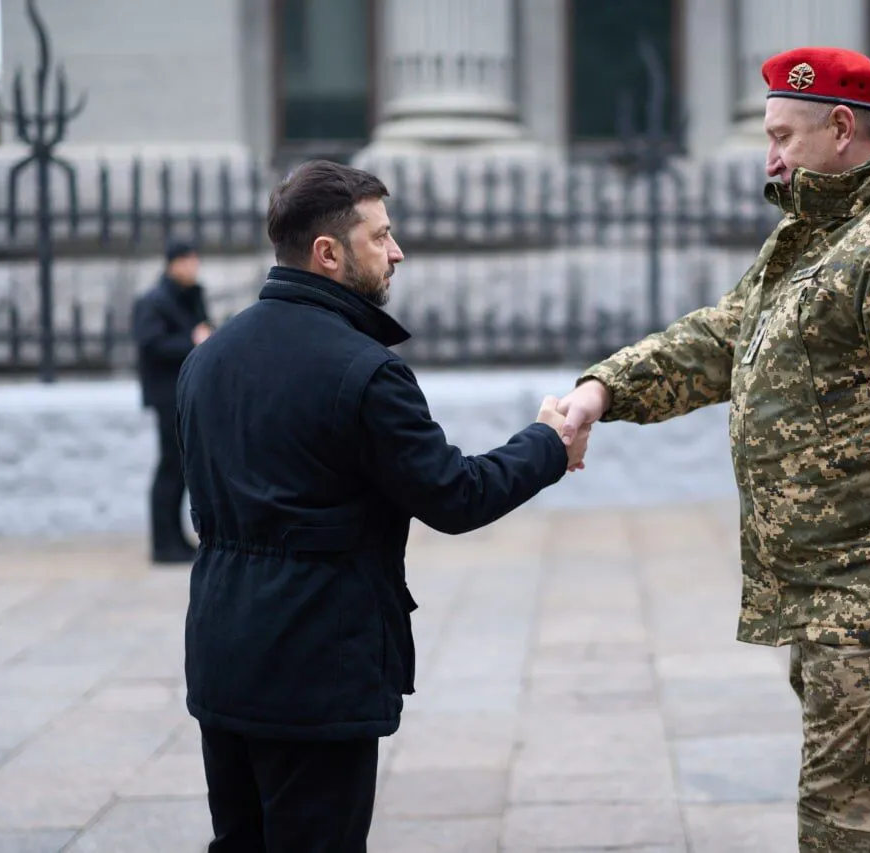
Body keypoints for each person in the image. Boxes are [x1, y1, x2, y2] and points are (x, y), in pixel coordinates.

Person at [555, 47, 870, 852]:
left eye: (782, 135)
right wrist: (604, 389)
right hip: (834, 589)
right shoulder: (820, 230)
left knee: (860, 827)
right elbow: (725, 334)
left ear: (842, 127)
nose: (769, 156)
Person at [174, 160, 588, 852]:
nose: (396, 252)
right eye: (381, 236)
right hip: (314, 665)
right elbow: (456, 494)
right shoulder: (365, 370)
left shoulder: (209, 358)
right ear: (327, 253)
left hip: (222, 651)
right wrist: (550, 441)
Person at [131, 239, 213, 564]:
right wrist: (191, 341)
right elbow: (151, 345)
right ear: (173, 264)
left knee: (182, 469)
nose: (194, 267)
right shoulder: (153, 301)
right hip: (166, 395)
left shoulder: (192, 296)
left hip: (187, 393)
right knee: (170, 468)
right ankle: (163, 543)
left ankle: (176, 539)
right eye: (188, 261)